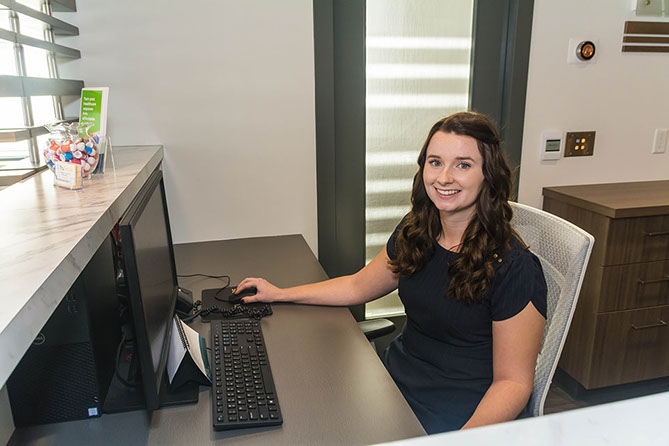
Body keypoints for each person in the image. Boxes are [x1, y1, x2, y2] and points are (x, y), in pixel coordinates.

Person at [235, 111, 547, 434]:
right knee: (298, 413)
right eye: (435, 162)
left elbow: (513, 383)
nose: (444, 177)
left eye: (463, 165)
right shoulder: (418, 232)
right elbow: (357, 287)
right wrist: (280, 293)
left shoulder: (515, 268)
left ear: (488, 174)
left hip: (453, 418)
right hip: (393, 388)